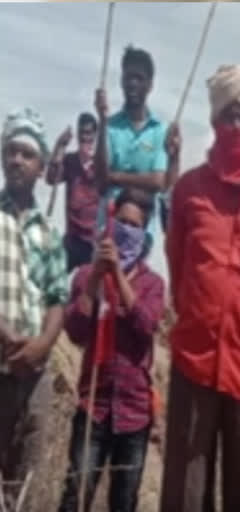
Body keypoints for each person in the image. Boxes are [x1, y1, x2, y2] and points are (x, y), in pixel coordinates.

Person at [160, 64, 240, 512]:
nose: (236, 127)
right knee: (186, 491)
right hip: (194, 359)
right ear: (215, 120)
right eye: (228, 117)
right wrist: (203, 313)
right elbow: (178, 268)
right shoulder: (188, 191)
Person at [58, 188, 164, 512]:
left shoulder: (153, 284)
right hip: (95, 403)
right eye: (121, 222)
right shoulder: (85, 276)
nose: (126, 230)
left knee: (123, 502)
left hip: (134, 412)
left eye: (134, 225)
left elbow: (146, 326)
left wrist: (117, 274)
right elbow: (76, 330)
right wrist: (96, 279)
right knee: (77, 495)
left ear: (144, 234)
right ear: (110, 223)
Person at [0, 108, 68, 509]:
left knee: (24, 480)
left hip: (33, 372)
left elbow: (57, 298)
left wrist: (42, 344)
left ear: (42, 166)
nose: (16, 161)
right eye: (10, 152)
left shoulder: (48, 232)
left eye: (26, 154)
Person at [93, 46, 178, 233]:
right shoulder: (109, 126)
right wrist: (101, 119)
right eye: (128, 77)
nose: (132, 84)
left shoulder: (159, 130)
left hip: (144, 232)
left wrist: (116, 176)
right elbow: (100, 181)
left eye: (139, 78)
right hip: (107, 228)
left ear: (150, 85)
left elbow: (158, 181)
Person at [46, 113, 100, 271]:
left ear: (95, 135)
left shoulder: (100, 163)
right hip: (73, 237)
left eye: (89, 133)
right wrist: (58, 146)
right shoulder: (70, 160)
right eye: (82, 133)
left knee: (90, 285)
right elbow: (51, 178)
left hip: (93, 239)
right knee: (54, 271)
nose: (85, 137)